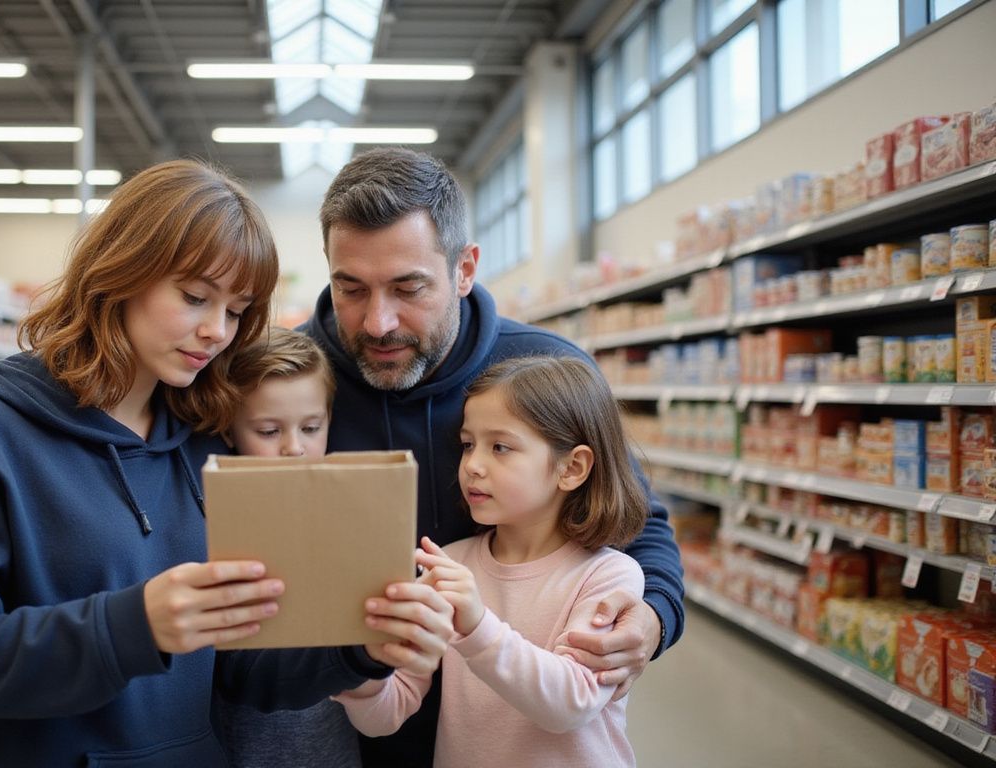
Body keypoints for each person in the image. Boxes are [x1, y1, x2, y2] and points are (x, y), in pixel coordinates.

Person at [0, 160, 454, 767]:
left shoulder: (203, 441)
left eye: (236, 310)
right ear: (122, 273)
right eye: (195, 297)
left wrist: (359, 646)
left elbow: (240, 663)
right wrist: (132, 627)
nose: (216, 332)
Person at [302, 147, 685, 766]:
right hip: (344, 730)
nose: (378, 322)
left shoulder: (544, 371)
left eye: (408, 288)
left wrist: (653, 618)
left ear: (464, 268)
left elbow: (639, 524)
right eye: (351, 288)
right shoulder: (291, 382)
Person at [336, 355, 648, 767]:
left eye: (500, 447)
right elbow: (389, 714)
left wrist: (477, 625)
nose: (472, 466)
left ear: (571, 468)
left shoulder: (606, 575)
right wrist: (358, 669)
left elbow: (573, 703)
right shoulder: (450, 564)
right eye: (468, 445)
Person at [215, 328, 362, 768]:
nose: (294, 448)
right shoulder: (213, 521)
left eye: (311, 427)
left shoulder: (349, 515)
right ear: (228, 428)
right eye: (268, 430)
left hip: (331, 747)